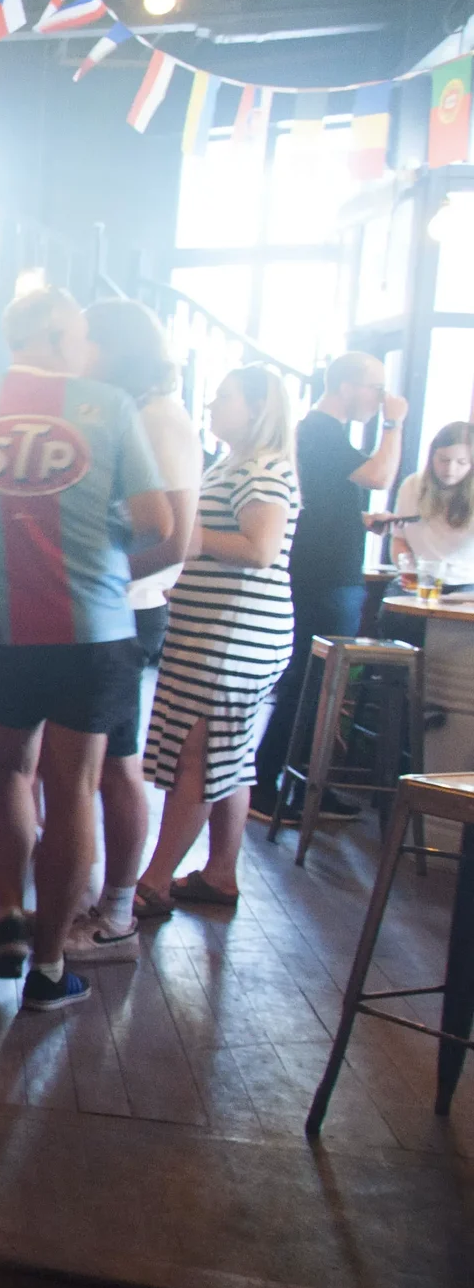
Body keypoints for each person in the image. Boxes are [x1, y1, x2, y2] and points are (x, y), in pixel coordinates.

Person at [0, 287, 173, 1011]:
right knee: (72, 793)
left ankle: (8, 914)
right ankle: (52, 967)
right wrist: (94, 545)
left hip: (5, 628)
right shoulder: (109, 405)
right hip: (93, 634)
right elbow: (159, 522)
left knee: (8, 771)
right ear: (63, 338)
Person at [134, 367, 300, 914]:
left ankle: (154, 881)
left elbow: (261, 549)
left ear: (256, 408)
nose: (211, 403)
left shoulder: (266, 470)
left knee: (197, 754)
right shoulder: (234, 464)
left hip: (238, 635)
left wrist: (191, 538)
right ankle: (220, 873)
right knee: (229, 755)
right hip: (215, 629)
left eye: (224, 397)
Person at [69, 301, 202, 964]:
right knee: (103, 767)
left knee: (116, 768)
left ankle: (117, 915)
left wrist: (91, 575)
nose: (78, 352)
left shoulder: (156, 418)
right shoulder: (133, 413)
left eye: (87, 341)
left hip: (125, 611)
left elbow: (177, 540)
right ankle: (100, 904)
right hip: (112, 609)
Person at [256, 351, 405, 814]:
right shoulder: (320, 429)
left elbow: (320, 504)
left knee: (315, 682)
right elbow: (380, 475)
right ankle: (269, 784)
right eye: (375, 388)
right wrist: (394, 424)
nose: (381, 398)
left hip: (323, 573)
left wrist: (357, 519)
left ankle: (302, 787)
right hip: (325, 579)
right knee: (313, 682)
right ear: (346, 387)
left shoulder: (322, 433)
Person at [376, 421, 474, 575]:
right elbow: (399, 540)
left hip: (466, 581)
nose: (450, 469)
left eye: (461, 463)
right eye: (443, 460)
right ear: (432, 456)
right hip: (418, 577)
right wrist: (408, 571)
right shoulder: (412, 485)